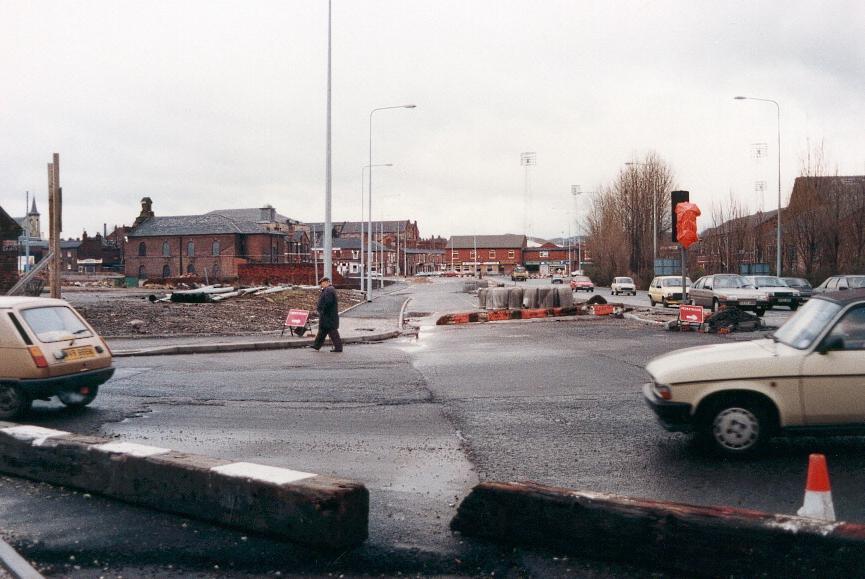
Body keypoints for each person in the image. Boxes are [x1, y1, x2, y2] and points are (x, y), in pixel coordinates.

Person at [312, 277, 342, 352]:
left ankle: (338, 348)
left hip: (328, 316)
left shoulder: (329, 290)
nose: (321, 285)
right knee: (322, 331)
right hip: (327, 315)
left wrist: (322, 310)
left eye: (322, 283)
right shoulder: (328, 289)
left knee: (332, 332)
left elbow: (328, 302)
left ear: (326, 282)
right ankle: (316, 345)